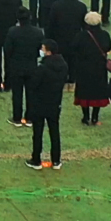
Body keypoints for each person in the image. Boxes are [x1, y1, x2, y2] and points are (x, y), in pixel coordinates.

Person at [24, 38, 70, 169]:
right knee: (54, 131)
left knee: (37, 133)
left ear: (48, 52)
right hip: (55, 102)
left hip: (40, 103)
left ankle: (36, 159)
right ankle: (56, 160)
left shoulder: (42, 68)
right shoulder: (63, 66)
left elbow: (33, 85)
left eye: (43, 49)